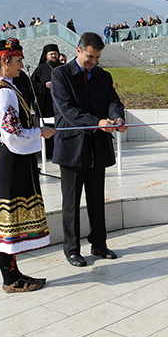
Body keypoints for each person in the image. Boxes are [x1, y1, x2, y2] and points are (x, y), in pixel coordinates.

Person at [0, 38, 56, 292]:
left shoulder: (6, 87)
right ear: (5, 61)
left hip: (13, 159)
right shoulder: (4, 91)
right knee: (5, 221)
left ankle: (14, 276)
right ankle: (10, 280)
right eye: (18, 61)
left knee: (10, 221)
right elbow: (11, 132)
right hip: (10, 160)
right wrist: (39, 133)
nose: (22, 65)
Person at [51, 32, 127, 267]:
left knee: (97, 199)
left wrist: (117, 118)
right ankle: (72, 249)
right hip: (72, 146)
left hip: (97, 147)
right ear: (78, 50)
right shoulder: (60, 74)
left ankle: (99, 244)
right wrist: (97, 122)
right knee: (71, 202)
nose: (93, 62)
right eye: (90, 57)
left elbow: (113, 101)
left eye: (97, 58)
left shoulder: (103, 76)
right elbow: (67, 109)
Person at [31, 44, 61, 158]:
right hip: (46, 103)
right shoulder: (40, 69)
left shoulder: (63, 67)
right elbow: (32, 84)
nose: (54, 56)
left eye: (55, 54)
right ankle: (49, 153)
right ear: (46, 56)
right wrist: (44, 85)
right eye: (51, 54)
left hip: (60, 103)